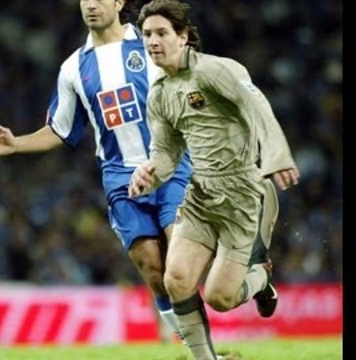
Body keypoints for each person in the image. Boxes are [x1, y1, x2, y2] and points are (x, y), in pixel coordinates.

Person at [0, 0, 193, 344]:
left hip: (171, 168)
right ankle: (196, 347)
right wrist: (17, 144)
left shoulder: (150, 44)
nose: (90, 4)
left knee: (180, 261)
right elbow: (61, 130)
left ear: (119, 2)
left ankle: (240, 275)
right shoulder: (74, 68)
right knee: (153, 269)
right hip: (121, 178)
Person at [130, 1, 300, 359]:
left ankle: (261, 278)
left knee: (221, 298)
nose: (152, 41)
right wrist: (149, 173)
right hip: (200, 196)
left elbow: (258, 105)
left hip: (242, 195)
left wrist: (276, 155)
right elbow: (166, 155)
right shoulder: (159, 93)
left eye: (162, 33)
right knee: (175, 280)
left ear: (184, 36)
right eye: (147, 34)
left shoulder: (214, 71)